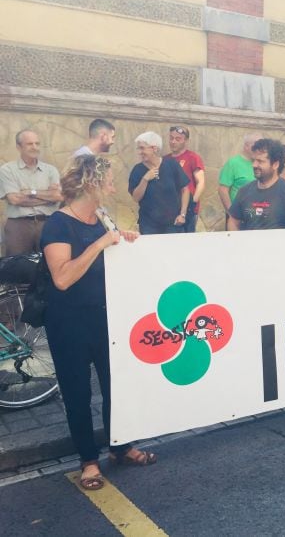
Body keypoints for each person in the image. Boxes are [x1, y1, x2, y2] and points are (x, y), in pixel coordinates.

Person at [42, 155, 154, 491]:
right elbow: (62, 278)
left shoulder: (101, 217)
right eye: (109, 182)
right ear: (92, 184)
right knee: (77, 393)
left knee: (115, 387)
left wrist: (125, 240)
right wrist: (101, 243)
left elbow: (112, 252)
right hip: (68, 322)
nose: (113, 188)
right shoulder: (58, 225)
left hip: (106, 317)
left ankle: (120, 447)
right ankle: (88, 462)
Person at [228, 139, 285, 230]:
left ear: (275, 164)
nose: (254, 165)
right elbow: (233, 222)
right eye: (254, 160)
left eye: (260, 161)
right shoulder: (244, 191)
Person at [0, 130, 61, 255]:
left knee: (48, 267)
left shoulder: (50, 170)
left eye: (37, 143)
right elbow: (14, 200)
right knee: (17, 268)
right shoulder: (7, 170)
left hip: (47, 223)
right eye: (29, 144)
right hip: (18, 227)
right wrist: (47, 197)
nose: (35, 147)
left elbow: (57, 196)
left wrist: (30, 192)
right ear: (18, 147)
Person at [128, 132, 190, 234]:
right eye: (138, 148)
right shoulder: (137, 170)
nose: (140, 152)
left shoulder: (171, 164)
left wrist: (182, 214)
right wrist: (145, 179)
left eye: (142, 148)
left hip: (173, 224)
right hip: (149, 226)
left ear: (154, 149)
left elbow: (185, 189)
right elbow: (136, 198)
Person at [167, 126, 204, 233]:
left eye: (178, 139)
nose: (173, 141)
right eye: (171, 138)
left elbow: (200, 182)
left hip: (188, 210)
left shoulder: (193, 158)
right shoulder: (165, 159)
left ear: (186, 141)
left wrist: (193, 203)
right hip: (169, 209)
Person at [218, 133, 261, 221]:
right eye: (256, 145)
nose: (259, 149)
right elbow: (223, 190)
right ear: (246, 146)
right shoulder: (233, 163)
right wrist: (231, 213)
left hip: (259, 215)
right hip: (238, 216)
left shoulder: (262, 164)